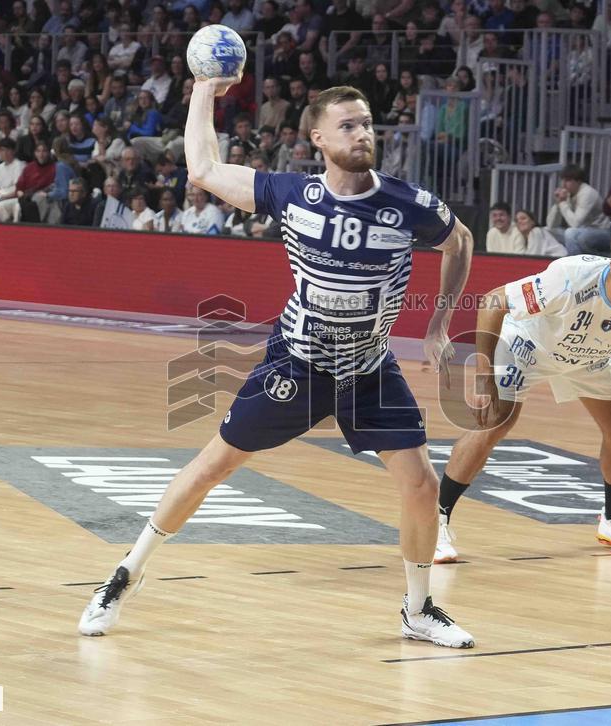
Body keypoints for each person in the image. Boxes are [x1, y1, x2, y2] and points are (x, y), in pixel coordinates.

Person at [78, 81, 476, 649]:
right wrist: (203, 90)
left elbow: (459, 241)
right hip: (298, 363)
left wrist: (438, 323)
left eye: (366, 123)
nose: (362, 133)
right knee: (213, 467)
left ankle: (417, 610)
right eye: (347, 125)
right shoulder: (290, 193)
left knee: (420, 483)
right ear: (317, 137)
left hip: (368, 368)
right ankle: (125, 575)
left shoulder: (408, 204)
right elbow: (203, 168)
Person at [433, 223, 611, 565]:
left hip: (589, 356)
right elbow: (493, 301)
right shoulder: (569, 279)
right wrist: (484, 377)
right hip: (529, 345)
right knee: (495, 423)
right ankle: (435, 520)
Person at [546, 164, 611, 255]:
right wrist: (557, 204)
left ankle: (576, 263)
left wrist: (562, 203)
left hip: (602, 231)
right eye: (563, 180)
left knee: (571, 233)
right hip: (581, 230)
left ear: (578, 181)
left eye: (568, 180)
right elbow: (551, 225)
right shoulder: (568, 193)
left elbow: (575, 223)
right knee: (546, 231)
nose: (563, 184)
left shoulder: (587, 193)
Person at [490, 209, 566, 256]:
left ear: (532, 222)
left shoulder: (536, 232)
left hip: (559, 262)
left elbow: (532, 257)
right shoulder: (526, 237)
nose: (519, 222)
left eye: (523, 218)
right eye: (517, 220)